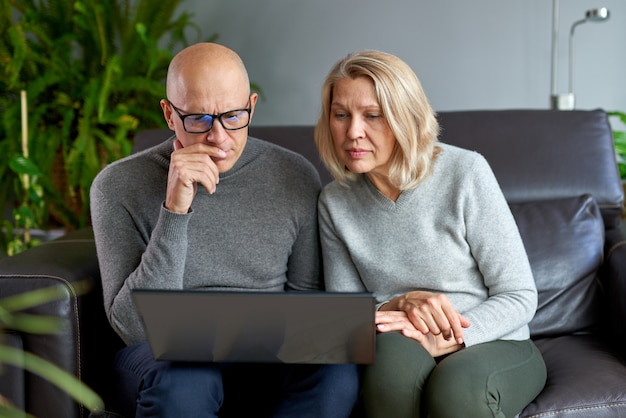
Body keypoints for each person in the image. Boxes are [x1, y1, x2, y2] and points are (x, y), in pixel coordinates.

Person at [90, 42, 359, 418]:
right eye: (198, 119)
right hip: (163, 359)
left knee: (337, 373)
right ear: (169, 114)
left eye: (233, 117)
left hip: (265, 356)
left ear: (251, 106)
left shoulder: (294, 175)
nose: (218, 137)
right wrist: (174, 209)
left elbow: (306, 306)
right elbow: (134, 328)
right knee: (186, 381)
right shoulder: (118, 185)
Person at [314, 49, 547, 418]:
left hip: (493, 338)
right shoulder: (334, 202)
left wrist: (451, 339)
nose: (353, 131)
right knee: (388, 371)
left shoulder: (465, 172)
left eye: (372, 116)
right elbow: (344, 316)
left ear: (404, 117)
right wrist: (394, 306)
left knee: (456, 390)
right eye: (341, 115)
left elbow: (519, 295)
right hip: (399, 339)